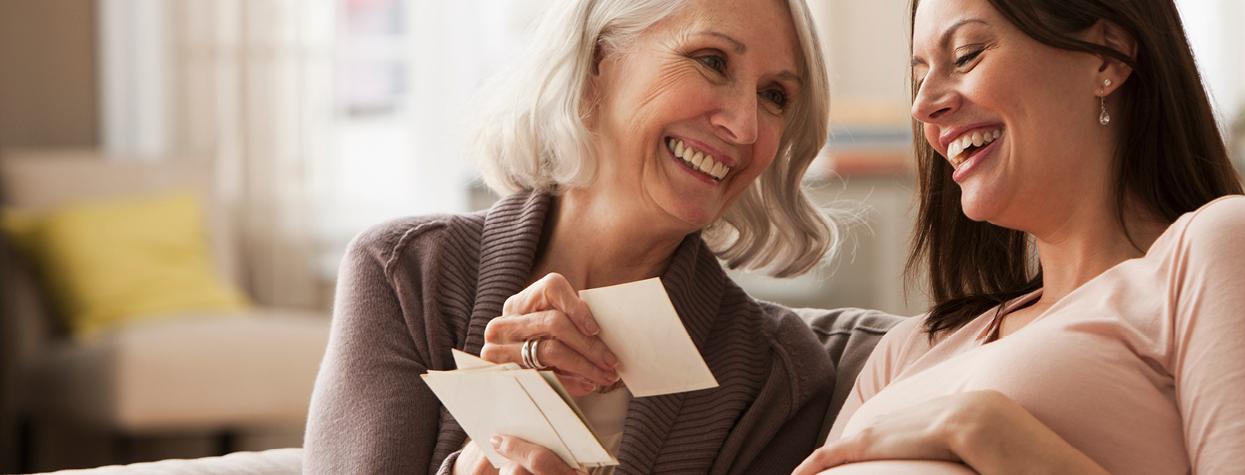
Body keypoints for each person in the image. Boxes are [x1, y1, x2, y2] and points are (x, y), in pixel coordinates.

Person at [794, 0, 1245, 473]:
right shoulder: (909, 349)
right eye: (918, 78)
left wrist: (989, 433)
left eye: (965, 56)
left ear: (1106, 57)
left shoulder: (1219, 247)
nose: (924, 105)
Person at [301, 0, 844, 473]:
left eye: (774, 95)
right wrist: (476, 461)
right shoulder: (405, 275)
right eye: (711, 61)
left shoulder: (778, 375)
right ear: (598, 60)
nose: (745, 126)